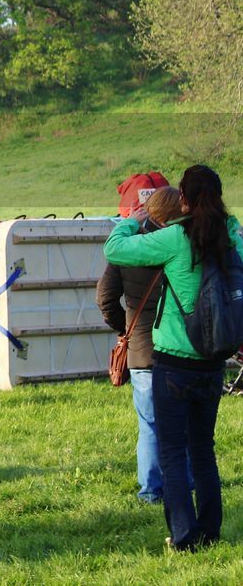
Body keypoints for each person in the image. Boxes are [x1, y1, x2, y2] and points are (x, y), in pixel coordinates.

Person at [104, 165, 243, 551]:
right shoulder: (231, 235)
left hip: (173, 363)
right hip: (214, 362)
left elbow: (114, 249)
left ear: (184, 198)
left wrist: (135, 218)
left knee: (171, 452)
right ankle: (211, 531)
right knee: (203, 450)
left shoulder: (175, 238)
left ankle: (183, 536)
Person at [96, 186, 186, 504]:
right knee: (181, 421)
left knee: (149, 424)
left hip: (142, 349)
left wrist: (125, 328)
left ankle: (151, 490)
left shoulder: (127, 248)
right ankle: (185, 482)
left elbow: (105, 298)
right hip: (178, 348)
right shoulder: (184, 243)